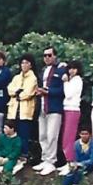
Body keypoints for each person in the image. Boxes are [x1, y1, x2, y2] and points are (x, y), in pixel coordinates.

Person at [35, 46, 66, 175]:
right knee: (42, 135)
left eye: (49, 55)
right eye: (45, 56)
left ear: (55, 56)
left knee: (52, 135)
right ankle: (45, 158)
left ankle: (51, 161)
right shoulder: (43, 70)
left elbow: (64, 89)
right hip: (42, 106)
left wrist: (48, 91)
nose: (47, 58)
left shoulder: (61, 69)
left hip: (54, 107)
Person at [6, 54, 38, 170]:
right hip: (14, 110)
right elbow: (10, 89)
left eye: (27, 63)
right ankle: (13, 155)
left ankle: (24, 156)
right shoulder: (16, 77)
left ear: (31, 64)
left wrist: (18, 94)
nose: (24, 65)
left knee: (24, 134)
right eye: (22, 63)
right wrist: (17, 92)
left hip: (25, 110)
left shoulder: (33, 78)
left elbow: (28, 93)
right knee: (13, 133)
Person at [60, 60, 84, 169]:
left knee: (69, 137)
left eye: (74, 68)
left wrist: (65, 82)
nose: (71, 71)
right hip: (68, 109)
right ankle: (67, 161)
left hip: (73, 110)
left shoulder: (77, 80)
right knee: (65, 137)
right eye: (70, 68)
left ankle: (70, 162)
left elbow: (69, 94)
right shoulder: (72, 80)